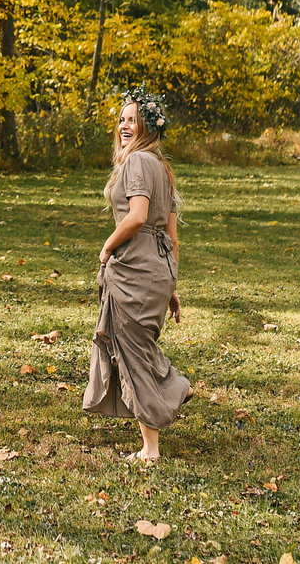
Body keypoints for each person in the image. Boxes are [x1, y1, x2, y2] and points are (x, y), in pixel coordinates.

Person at [82, 88, 191, 461]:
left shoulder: (139, 163)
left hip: (135, 267)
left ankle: (152, 445)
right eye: (122, 119)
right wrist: (171, 284)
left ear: (149, 126)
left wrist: (108, 246)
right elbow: (172, 238)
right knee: (138, 345)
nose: (124, 125)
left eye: (132, 119)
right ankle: (173, 388)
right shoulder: (163, 167)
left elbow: (139, 216)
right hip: (157, 268)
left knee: (132, 351)